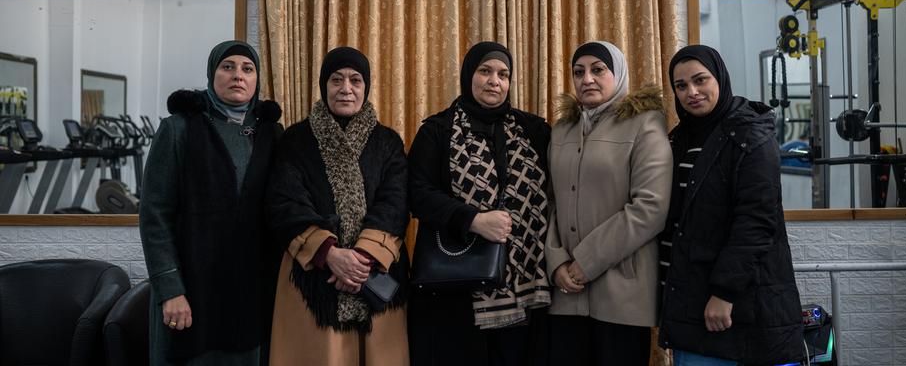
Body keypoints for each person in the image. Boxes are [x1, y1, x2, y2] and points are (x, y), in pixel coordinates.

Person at [658, 45, 804, 366]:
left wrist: (724, 294)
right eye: (681, 86)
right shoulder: (678, 137)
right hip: (690, 300)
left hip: (734, 303)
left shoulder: (749, 134)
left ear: (720, 78)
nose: (692, 92)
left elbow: (756, 222)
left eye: (700, 80)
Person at [139, 40, 283, 365]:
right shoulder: (178, 129)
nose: (238, 76)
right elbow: (154, 216)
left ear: (257, 79)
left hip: (250, 289)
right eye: (228, 67)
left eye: (248, 69)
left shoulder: (271, 134)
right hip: (190, 292)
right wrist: (169, 288)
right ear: (212, 73)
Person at [408, 41, 551, 366]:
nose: (494, 81)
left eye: (503, 74)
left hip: (525, 286)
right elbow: (417, 194)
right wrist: (471, 219)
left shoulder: (533, 131)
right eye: (485, 71)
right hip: (458, 287)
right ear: (467, 75)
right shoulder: (437, 131)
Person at [267, 47, 410, 366]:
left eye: (355, 80)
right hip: (313, 279)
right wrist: (329, 254)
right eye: (337, 80)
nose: (346, 88)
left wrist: (361, 259)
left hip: (375, 276)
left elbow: (396, 203)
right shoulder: (295, 140)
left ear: (366, 87)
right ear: (323, 85)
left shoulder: (388, 142)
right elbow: (284, 202)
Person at [545, 41, 672, 365]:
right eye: (579, 71)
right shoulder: (561, 130)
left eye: (598, 70)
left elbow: (650, 209)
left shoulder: (645, 124)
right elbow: (551, 201)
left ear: (617, 73)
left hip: (622, 294)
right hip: (566, 293)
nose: (587, 79)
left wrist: (584, 263)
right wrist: (557, 261)